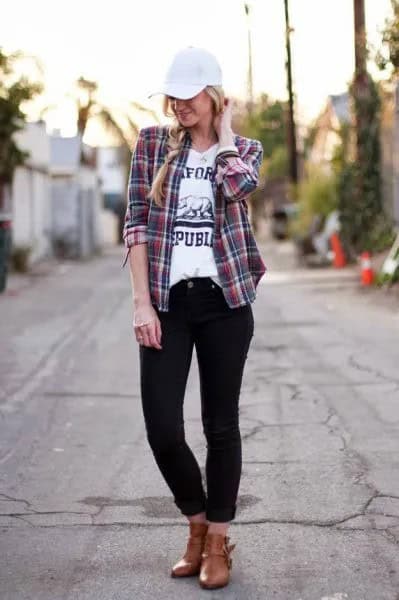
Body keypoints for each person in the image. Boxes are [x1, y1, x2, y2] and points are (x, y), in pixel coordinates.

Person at [122, 46, 266, 590]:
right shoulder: (152, 144)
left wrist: (225, 136)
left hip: (225, 303)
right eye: (173, 95)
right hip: (167, 301)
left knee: (220, 427)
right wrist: (141, 301)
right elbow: (136, 222)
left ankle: (217, 543)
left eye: (190, 94)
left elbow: (237, 188)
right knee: (162, 427)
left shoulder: (244, 150)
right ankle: (197, 525)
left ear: (213, 96)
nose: (178, 103)